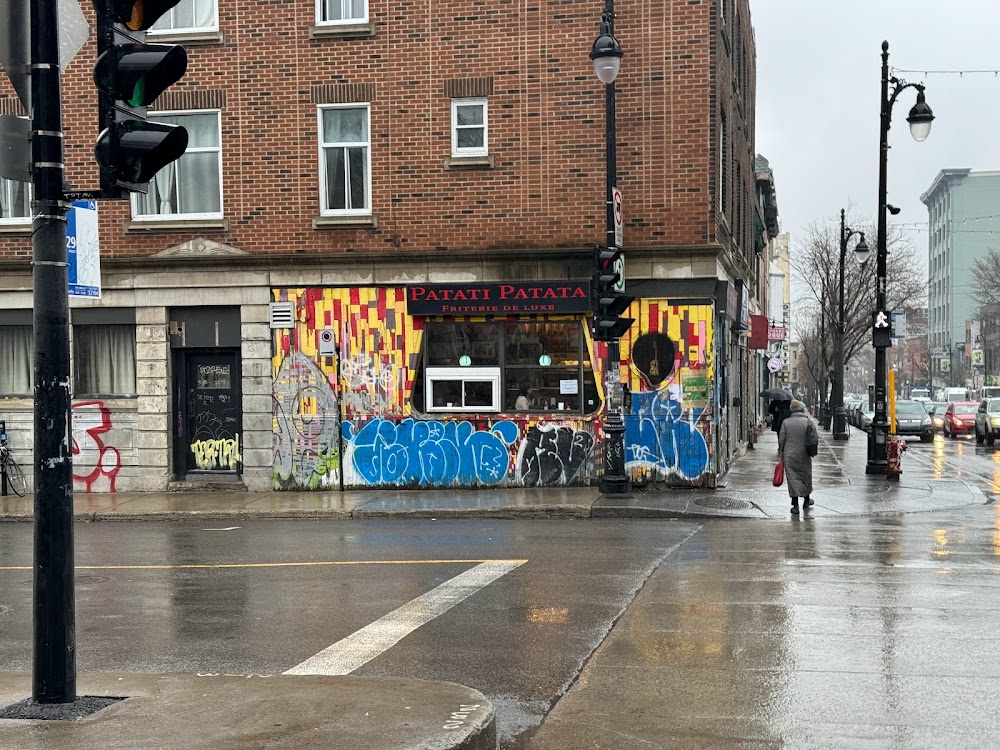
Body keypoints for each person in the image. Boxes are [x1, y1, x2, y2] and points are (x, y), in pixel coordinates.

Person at [778, 399, 819, 514]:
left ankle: (795, 504)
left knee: (792, 478)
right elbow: (814, 438)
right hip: (804, 453)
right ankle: (806, 500)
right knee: (805, 476)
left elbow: (782, 439)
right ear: (802, 409)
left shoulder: (786, 422)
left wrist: (781, 450)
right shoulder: (808, 422)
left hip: (789, 454)